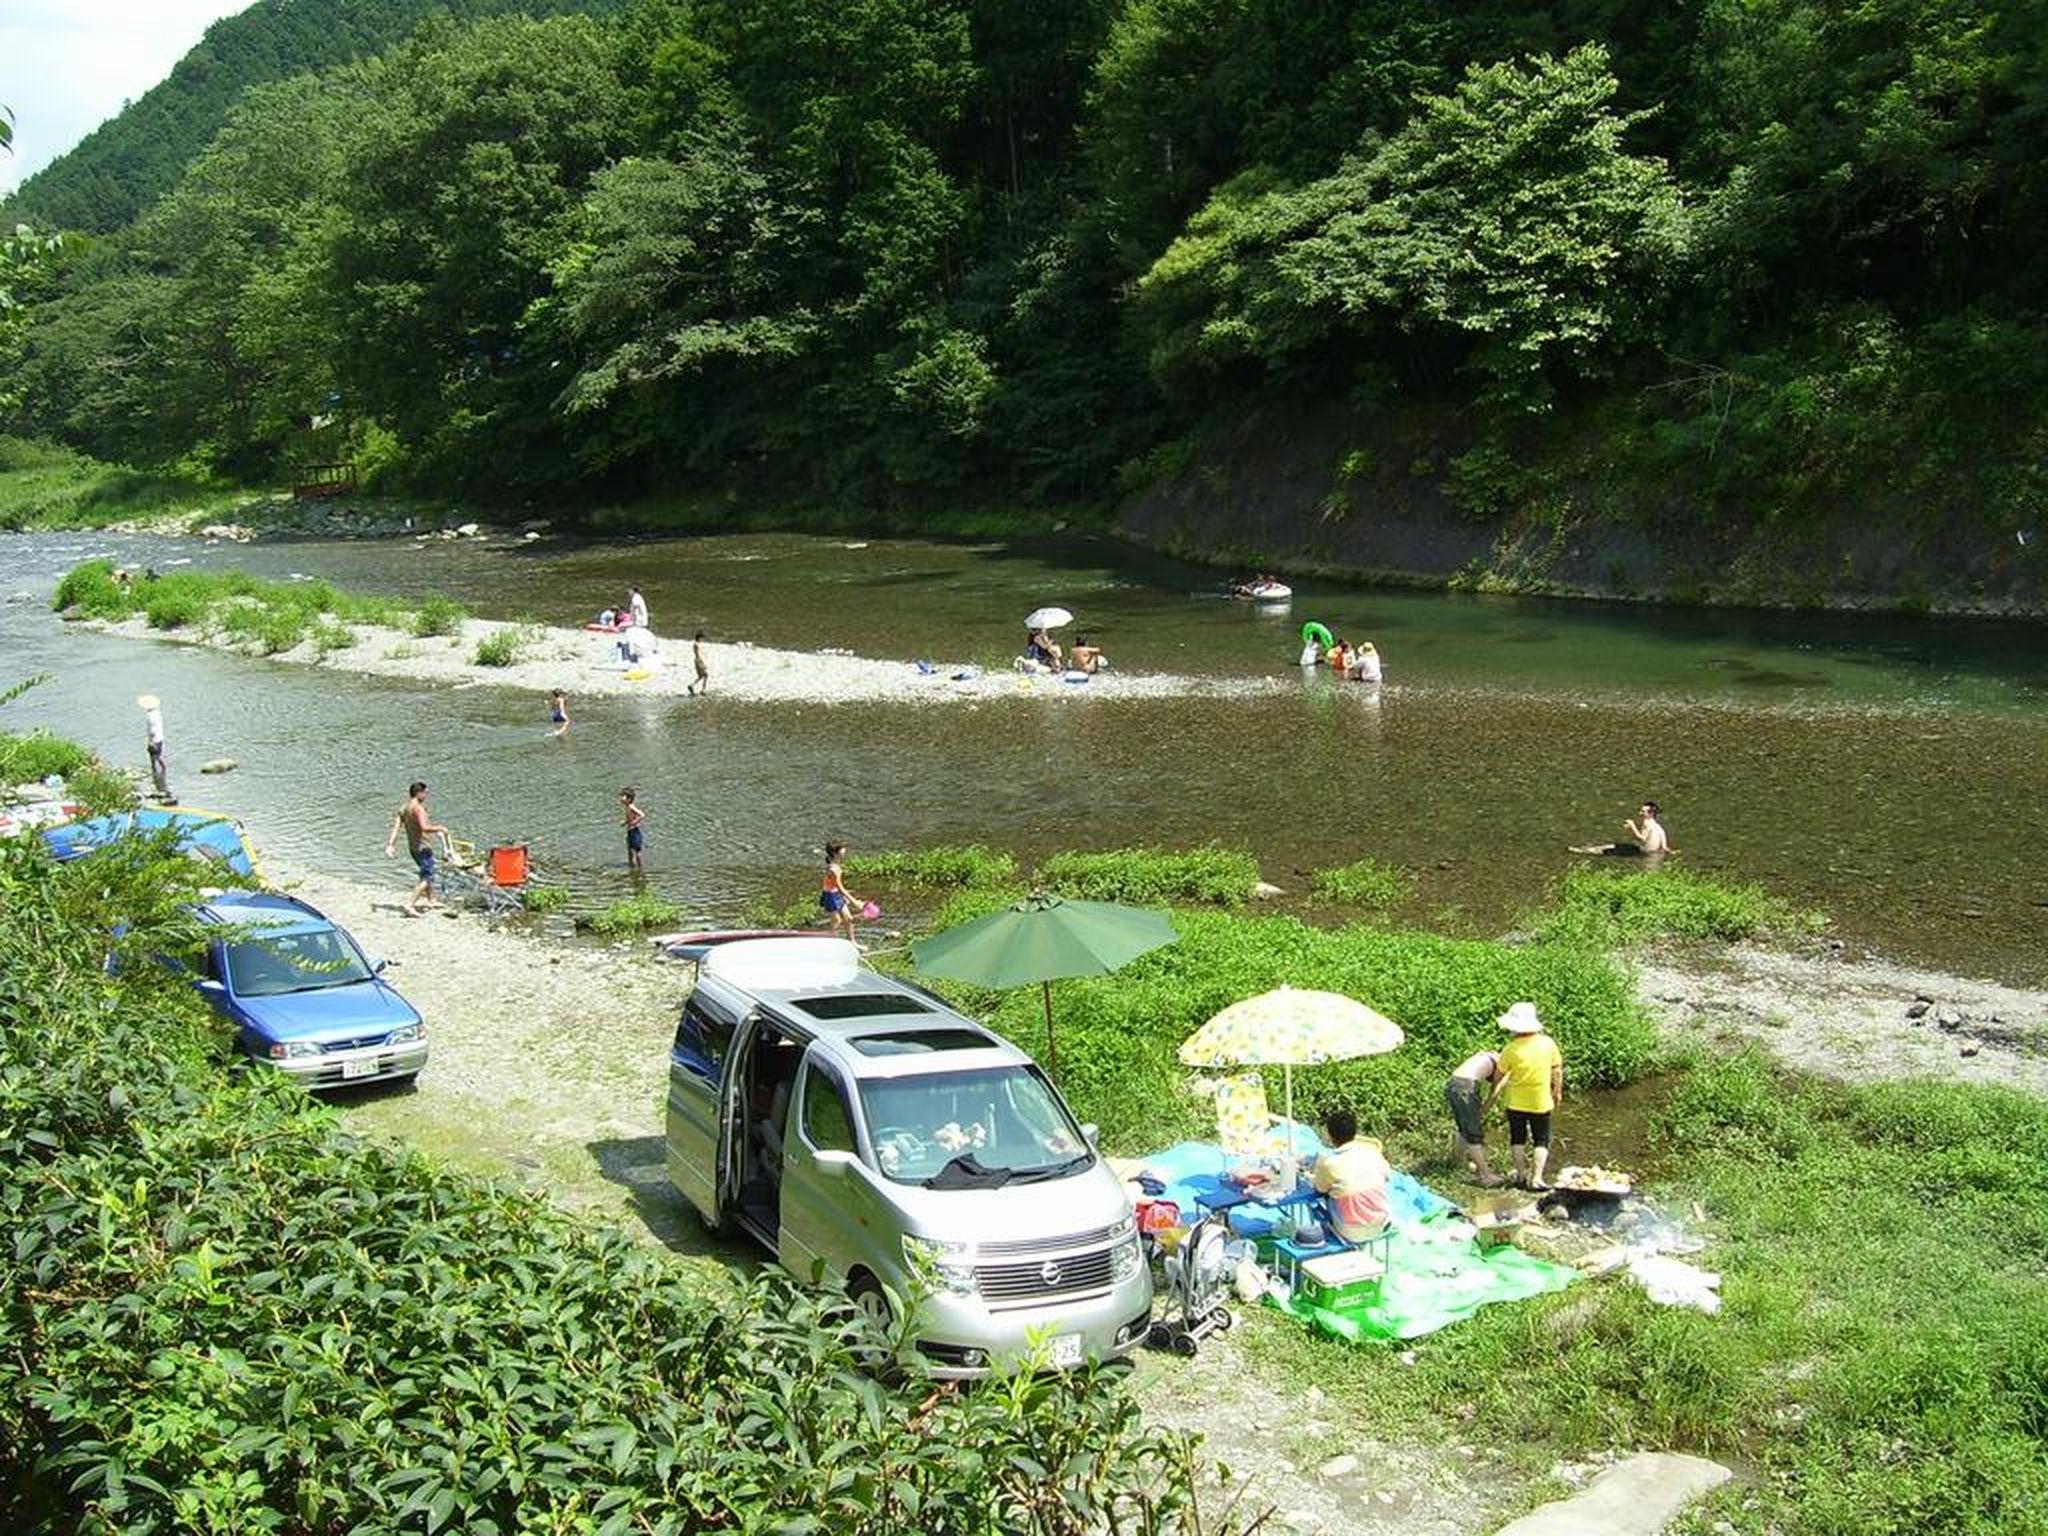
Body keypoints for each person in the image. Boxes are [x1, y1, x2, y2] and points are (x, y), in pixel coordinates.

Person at [1492, 1002, 1564, 1190]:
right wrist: (1557, 1092)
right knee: (1541, 1139)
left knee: (1517, 1138)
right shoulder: (1548, 1043)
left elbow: (1499, 1075)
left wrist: (1493, 1092)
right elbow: (1557, 1071)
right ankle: (1537, 1178)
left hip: (1515, 1102)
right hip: (1540, 1101)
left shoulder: (1510, 1049)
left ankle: (1521, 1176)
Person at [1311, 1108, 1392, 1241]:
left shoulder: (1329, 1164)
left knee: (1324, 1198)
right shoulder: (1372, 1153)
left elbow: (1319, 1189)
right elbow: (1388, 1175)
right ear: (1355, 1132)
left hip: (1349, 1231)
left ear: (1330, 1135)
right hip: (1382, 1224)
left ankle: (1311, 1238)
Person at [384, 781, 450, 916]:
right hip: (423, 847)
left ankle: (431, 900)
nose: (427, 795)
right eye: (425, 792)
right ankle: (410, 905)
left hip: (413, 848)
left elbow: (396, 827)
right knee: (427, 877)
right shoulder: (418, 808)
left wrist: (390, 844)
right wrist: (440, 828)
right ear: (419, 793)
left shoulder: (403, 808)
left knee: (426, 872)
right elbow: (425, 827)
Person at [1445, 1047, 1501, 1185]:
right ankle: (1485, 1175)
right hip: (1466, 1086)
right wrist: (1483, 1111)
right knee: (1473, 1133)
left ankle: (1456, 1163)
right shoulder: (1502, 1064)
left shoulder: (1485, 1055)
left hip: (1452, 1083)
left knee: (1463, 1127)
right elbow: (1495, 1091)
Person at [1572, 800, 1669, 857]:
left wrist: (1632, 826)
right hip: (1651, 854)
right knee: (1614, 846)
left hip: (1642, 852)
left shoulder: (1647, 823)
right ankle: (1588, 849)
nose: (1640, 813)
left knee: (1610, 847)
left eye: (1643, 812)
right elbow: (1664, 847)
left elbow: (1642, 838)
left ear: (1650, 814)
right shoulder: (1659, 827)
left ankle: (1583, 851)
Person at [820, 841, 863, 939]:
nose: (845, 850)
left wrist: (844, 896)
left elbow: (834, 886)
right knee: (836, 920)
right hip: (830, 896)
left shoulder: (836, 865)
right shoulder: (833, 869)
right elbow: (840, 888)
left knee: (848, 918)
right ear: (835, 853)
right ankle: (831, 940)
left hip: (836, 894)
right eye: (842, 848)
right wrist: (855, 902)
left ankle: (852, 942)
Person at [136, 693, 174, 803]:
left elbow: (152, 730)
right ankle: (162, 771)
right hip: (160, 738)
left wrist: (150, 741)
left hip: (154, 740)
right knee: (158, 755)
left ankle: (157, 773)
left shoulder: (150, 716)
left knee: (154, 758)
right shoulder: (157, 713)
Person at [621, 787, 646, 872]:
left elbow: (642, 815)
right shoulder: (627, 807)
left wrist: (635, 822)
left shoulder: (631, 807)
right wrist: (626, 822)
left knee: (637, 852)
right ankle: (631, 867)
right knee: (630, 850)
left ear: (629, 798)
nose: (621, 798)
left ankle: (640, 868)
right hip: (630, 832)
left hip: (635, 832)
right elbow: (630, 817)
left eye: (623, 796)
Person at [689, 631, 710, 696]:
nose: (702, 640)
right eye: (702, 638)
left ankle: (692, 685)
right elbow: (698, 654)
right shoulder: (696, 644)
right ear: (699, 638)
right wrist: (702, 663)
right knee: (706, 675)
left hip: (697, 660)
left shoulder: (695, 644)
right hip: (698, 660)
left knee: (701, 676)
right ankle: (702, 690)